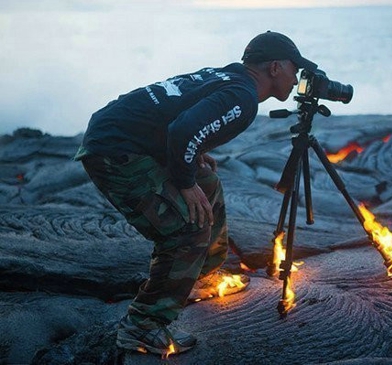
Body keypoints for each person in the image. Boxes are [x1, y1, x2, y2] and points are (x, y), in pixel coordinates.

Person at [74, 31, 317, 356]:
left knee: (208, 182)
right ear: (275, 67)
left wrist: (191, 157)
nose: (296, 76)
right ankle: (142, 326)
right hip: (115, 151)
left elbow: (180, 116)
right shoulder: (243, 97)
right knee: (186, 229)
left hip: (124, 135)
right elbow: (182, 130)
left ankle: (198, 276)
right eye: (294, 68)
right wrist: (184, 182)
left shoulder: (229, 75)